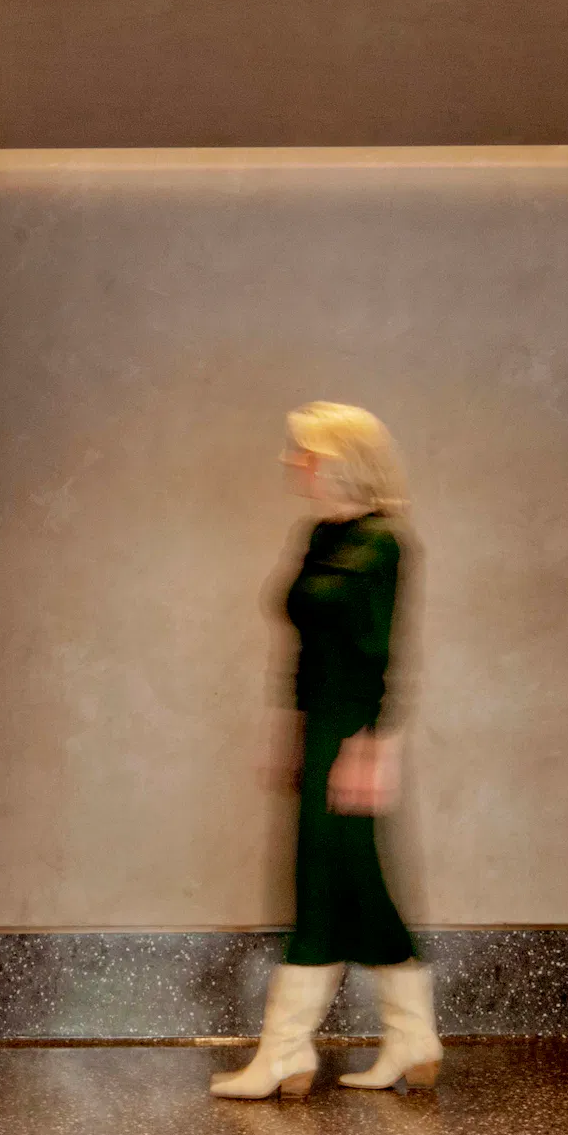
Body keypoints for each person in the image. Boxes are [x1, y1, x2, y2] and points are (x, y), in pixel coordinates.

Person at [211, 402, 439, 1099]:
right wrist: (287, 731)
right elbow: (304, 649)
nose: (293, 463)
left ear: (340, 460)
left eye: (305, 452)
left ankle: (285, 1052)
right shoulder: (317, 535)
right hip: (317, 727)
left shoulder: (384, 542)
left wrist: (376, 748)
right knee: (353, 879)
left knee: (322, 878)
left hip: (354, 729)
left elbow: (383, 654)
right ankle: (411, 1037)